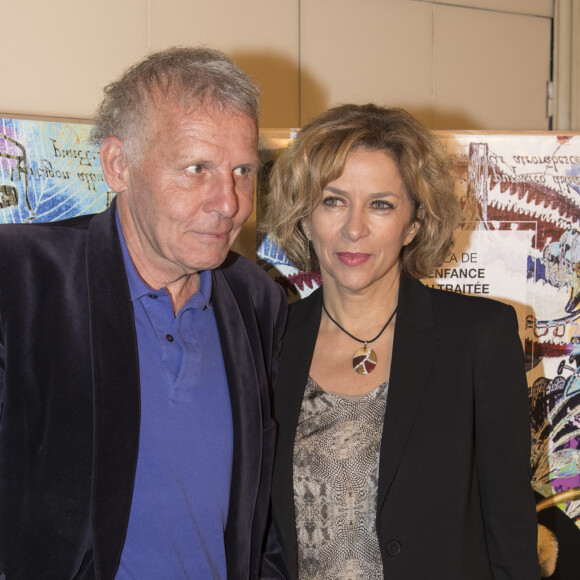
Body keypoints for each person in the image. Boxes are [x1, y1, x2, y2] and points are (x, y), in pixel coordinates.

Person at [0, 47, 287, 579]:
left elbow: (260, 507)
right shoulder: (19, 280)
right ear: (118, 165)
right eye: (197, 168)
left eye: (243, 170)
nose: (229, 202)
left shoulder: (255, 298)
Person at [262, 104, 540, 579]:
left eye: (381, 204)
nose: (354, 228)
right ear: (305, 218)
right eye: (333, 200)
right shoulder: (270, 342)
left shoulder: (478, 338)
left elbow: (511, 530)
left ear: (413, 224)